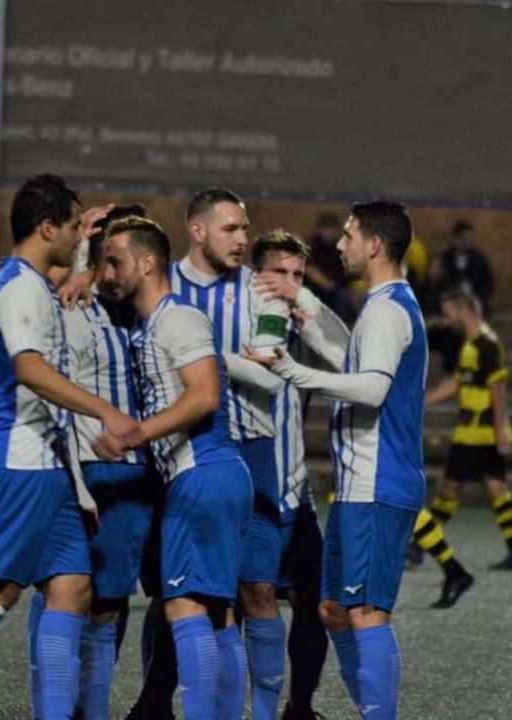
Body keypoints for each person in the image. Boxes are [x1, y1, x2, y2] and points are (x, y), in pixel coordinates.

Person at [0, 174, 141, 720]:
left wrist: (88, 251)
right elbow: (29, 369)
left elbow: (68, 278)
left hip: (47, 463)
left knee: (71, 588)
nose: (78, 235)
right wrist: (105, 410)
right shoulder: (21, 286)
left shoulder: (34, 282)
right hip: (17, 457)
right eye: (73, 226)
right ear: (47, 228)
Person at [245, 201, 427, 720]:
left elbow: (370, 388)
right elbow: (352, 355)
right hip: (356, 489)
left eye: (348, 237)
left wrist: (291, 370)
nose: (340, 246)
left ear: (373, 245)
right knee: (332, 611)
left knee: (366, 614)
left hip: (378, 483)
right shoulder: (381, 305)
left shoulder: (390, 309)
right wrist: (301, 299)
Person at [97, 215, 253, 720]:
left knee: (184, 609)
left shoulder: (177, 318)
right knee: (219, 613)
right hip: (216, 474)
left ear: (147, 262)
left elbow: (205, 395)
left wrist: (137, 432)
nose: (108, 272)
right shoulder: (150, 323)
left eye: (115, 261)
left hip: (201, 472)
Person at [29, 204, 155, 720]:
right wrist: (80, 264)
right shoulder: (70, 304)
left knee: (108, 607)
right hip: (77, 467)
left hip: (133, 474)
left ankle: (91, 711)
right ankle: (50, 708)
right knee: (58, 595)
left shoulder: (154, 311)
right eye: (107, 256)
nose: (114, 270)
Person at [165, 189, 287, 720]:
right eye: (230, 229)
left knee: (258, 590)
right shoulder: (163, 285)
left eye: (245, 228)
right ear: (197, 231)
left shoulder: (266, 295)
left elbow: (271, 376)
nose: (243, 239)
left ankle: (259, 713)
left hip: (253, 452)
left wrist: (206, 353)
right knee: (180, 597)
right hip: (180, 455)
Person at [425, 289, 512, 571]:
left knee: (450, 488)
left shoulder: (487, 343)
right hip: (473, 431)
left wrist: (500, 431)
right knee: (492, 488)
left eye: (449, 312)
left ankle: (417, 546)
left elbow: (498, 390)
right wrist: (422, 401)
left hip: (478, 432)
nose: (447, 320)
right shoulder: (472, 343)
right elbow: (457, 383)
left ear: (463, 310)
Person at [303, 213, 355, 324]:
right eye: (326, 229)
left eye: (332, 229)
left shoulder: (342, 245)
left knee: (345, 297)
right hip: (317, 287)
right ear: (320, 230)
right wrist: (322, 281)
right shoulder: (312, 245)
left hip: (339, 287)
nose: (329, 232)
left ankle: (343, 324)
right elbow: (308, 267)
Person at [440, 220, 494, 316]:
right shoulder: (446, 258)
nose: (465, 243)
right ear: (455, 239)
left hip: (473, 301)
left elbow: (487, 284)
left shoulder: (479, 259)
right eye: (462, 239)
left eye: (468, 239)